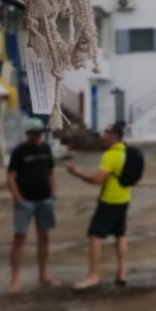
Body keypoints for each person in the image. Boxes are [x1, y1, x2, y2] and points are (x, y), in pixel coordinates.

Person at [65, 121, 131, 289]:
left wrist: (76, 172)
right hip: (124, 198)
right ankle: (122, 272)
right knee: (120, 234)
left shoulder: (111, 155)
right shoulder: (127, 152)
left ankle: (93, 275)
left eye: (107, 132)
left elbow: (97, 179)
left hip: (109, 199)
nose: (104, 135)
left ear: (114, 136)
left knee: (95, 235)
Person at [7, 117, 58, 293]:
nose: (38, 137)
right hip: (26, 201)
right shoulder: (19, 152)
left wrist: (53, 192)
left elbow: (50, 172)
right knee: (19, 238)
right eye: (35, 133)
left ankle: (43, 274)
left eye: (40, 133)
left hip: (44, 199)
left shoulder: (46, 149)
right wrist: (18, 198)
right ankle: (15, 280)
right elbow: (11, 177)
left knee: (44, 237)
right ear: (28, 133)